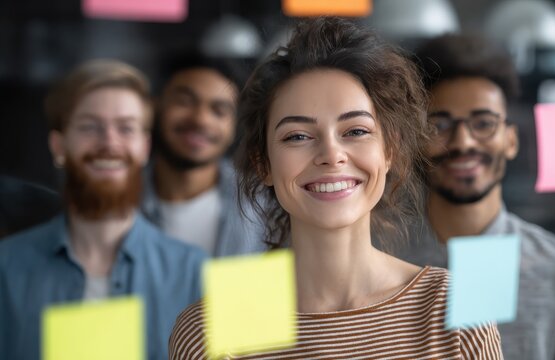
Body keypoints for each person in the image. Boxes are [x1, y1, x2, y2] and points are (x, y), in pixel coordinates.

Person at [169, 17, 503, 359]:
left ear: (390, 151)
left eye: (356, 131)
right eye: (297, 136)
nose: (331, 155)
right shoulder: (214, 328)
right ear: (262, 163)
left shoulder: (456, 311)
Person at [398, 33, 555, 359]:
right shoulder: (371, 258)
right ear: (416, 142)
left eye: (483, 123)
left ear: (511, 140)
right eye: (439, 125)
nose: (463, 142)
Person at [0, 60, 207, 360]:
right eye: (90, 127)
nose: (109, 141)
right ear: (59, 146)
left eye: (126, 128)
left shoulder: (194, 272)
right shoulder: (6, 267)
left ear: (144, 147)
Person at [141, 54, 266, 256]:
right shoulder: (118, 198)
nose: (201, 120)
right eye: (185, 101)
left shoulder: (263, 207)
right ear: (155, 105)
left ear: (234, 125)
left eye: (219, 111)